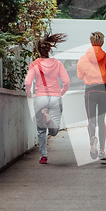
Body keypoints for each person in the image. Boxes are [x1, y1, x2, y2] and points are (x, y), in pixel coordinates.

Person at [25, 33, 70, 164]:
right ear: (49, 49)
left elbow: (28, 82)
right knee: (54, 131)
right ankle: (51, 123)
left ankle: (44, 156)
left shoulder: (34, 64)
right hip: (55, 97)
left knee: (40, 130)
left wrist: (28, 92)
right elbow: (66, 81)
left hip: (40, 98)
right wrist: (61, 92)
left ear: (38, 50)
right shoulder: (58, 64)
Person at [77, 31, 106, 160]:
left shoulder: (83, 58)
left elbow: (80, 75)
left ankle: (92, 139)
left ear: (91, 42)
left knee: (91, 120)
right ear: (102, 42)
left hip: (89, 91)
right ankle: (102, 150)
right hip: (103, 90)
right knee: (101, 121)